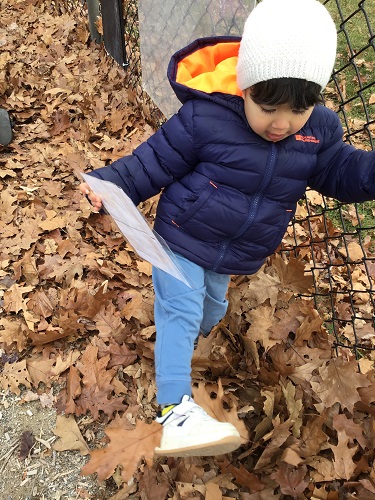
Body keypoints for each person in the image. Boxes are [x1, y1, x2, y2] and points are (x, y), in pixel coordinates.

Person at [79, 0, 375, 457]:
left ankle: (184, 345)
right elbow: (152, 162)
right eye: (268, 105)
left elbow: (343, 172)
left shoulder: (317, 132)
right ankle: (174, 410)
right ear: (245, 83)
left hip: (233, 253)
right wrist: (111, 183)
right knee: (179, 310)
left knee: (209, 311)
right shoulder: (207, 119)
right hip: (181, 235)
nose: (282, 123)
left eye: (298, 110)